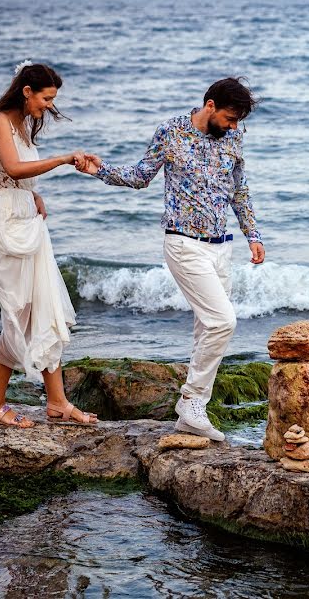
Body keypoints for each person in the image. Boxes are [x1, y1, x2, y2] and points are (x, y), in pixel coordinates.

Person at [77, 77, 264, 441]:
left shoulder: (233, 138)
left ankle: (192, 417)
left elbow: (239, 189)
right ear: (210, 105)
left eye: (238, 121)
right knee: (223, 321)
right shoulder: (171, 132)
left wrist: (252, 235)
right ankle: (191, 401)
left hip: (221, 247)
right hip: (183, 244)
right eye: (229, 117)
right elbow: (140, 176)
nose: (233, 126)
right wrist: (98, 169)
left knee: (206, 331)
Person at [0, 61, 97, 427]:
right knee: (20, 314)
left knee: (44, 311)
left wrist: (35, 195)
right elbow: (11, 169)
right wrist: (62, 159)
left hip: (28, 220)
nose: (48, 105)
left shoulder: (23, 124)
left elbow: (18, 176)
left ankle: (58, 403)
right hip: (7, 226)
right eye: (46, 98)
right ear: (27, 91)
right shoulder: (1, 120)